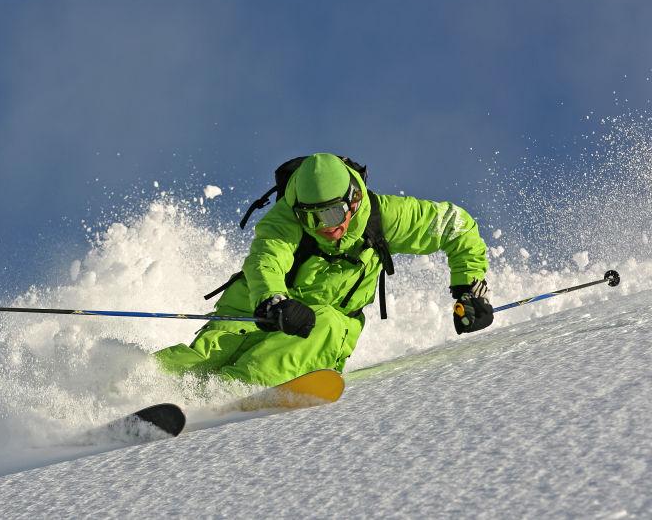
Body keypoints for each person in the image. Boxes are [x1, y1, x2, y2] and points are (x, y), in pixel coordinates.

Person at [155, 153, 493, 386]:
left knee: (325, 325)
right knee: (201, 359)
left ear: (353, 200)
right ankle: (131, 385)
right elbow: (266, 258)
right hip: (257, 308)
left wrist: (469, 289)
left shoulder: (385, 217)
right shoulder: (285, 219)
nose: (323, 227)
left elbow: (455, 226)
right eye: (310, 218)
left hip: (316, 329)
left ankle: (230, 394)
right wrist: (272, 301)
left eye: (331, 215)